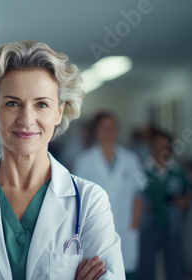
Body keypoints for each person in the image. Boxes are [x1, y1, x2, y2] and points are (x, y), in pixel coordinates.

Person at [0, 40, 125, 279]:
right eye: (13, 103)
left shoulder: (90, 202)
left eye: (41, 104)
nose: (27, 119)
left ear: (59, 111)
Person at [73, 112, 144, 280]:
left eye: (112, 127)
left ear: (118, 130)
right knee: (100, 271)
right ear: (96, 130)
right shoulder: (84, 160)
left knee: (127, 271)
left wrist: (133, 226)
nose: (108, 131)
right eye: (103, 127)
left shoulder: (131, 159)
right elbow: (78, 199)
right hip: (95, 229)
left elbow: (138, 196)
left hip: (126, 228)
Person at [137, 130, 192, 280]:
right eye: (158, 144)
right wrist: (142, 205)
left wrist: (183, 201)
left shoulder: (177, 170)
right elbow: (135, 195)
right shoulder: (143, 170)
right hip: (150, 225)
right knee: (146, 267)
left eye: (165, 145)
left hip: (172, 226)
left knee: (174, 267)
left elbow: (189, 192)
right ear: (152, 146)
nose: (162, 148)